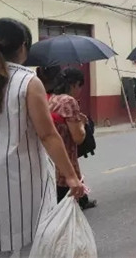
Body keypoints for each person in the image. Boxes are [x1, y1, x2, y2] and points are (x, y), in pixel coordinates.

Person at [0, 18, 85, 257]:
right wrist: (71, 177)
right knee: (32, 246)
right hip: (25, 185)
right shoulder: (28, 82)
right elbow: (48, 134)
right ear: (23, 47)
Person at [49, 68, 97, 209]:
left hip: (52, 156)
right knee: (66, 203)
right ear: (74, 84)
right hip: (66, 155)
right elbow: (78, 137)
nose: (80, 90)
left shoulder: (52, 98)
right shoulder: (69, 101)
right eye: (80, 86)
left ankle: (82, 200)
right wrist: (82, 124)